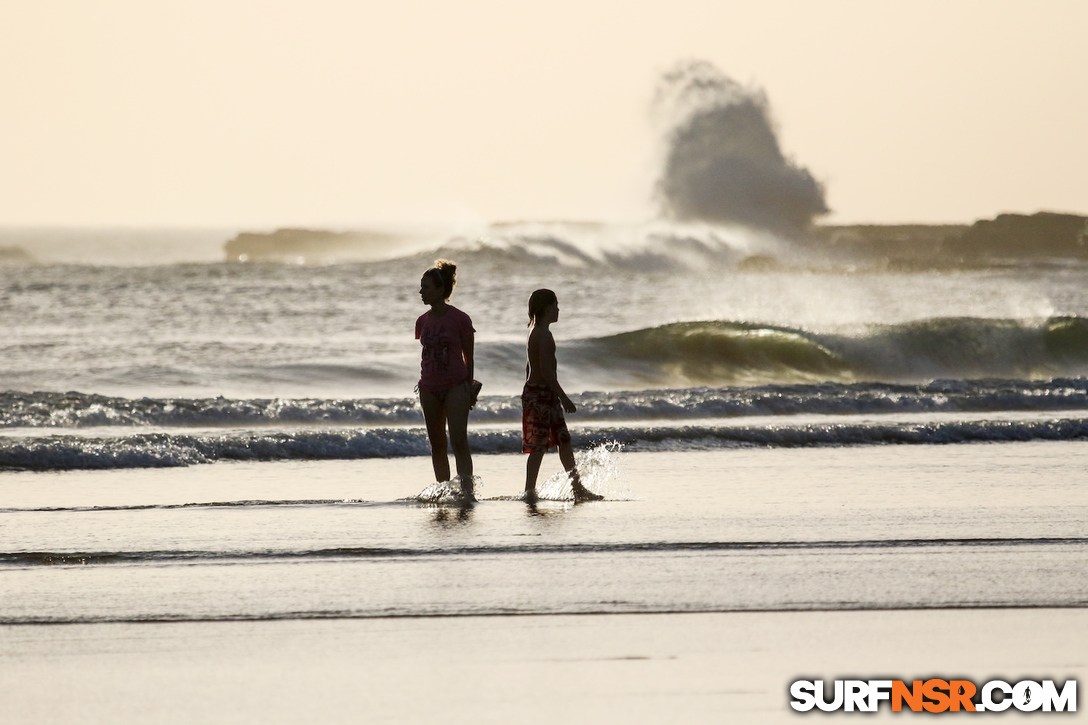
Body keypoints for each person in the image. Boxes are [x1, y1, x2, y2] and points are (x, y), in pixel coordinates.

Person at [522, 289, 602, 503]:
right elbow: (546, 372)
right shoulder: (544, 335)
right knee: (539, 446)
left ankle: (576, 488)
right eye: (556, 305)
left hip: (538, 394)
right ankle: (529, 491)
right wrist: (564, 398)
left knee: (563, 440)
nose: (558, 309)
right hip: (541, 396)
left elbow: (529, 367)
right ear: (547, 308)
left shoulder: (534, 330)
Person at [416, 260, 477, 501]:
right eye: (421, 288)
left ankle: (467, 493)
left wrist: (469, 387)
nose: (421, 292)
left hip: (456, 386)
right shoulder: (422, 321)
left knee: (459, 441)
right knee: (437, 445)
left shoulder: (460, 319)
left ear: (441, 291)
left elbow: (469, 356)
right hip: (428, 387)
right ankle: (444, 492)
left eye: (426, 288)